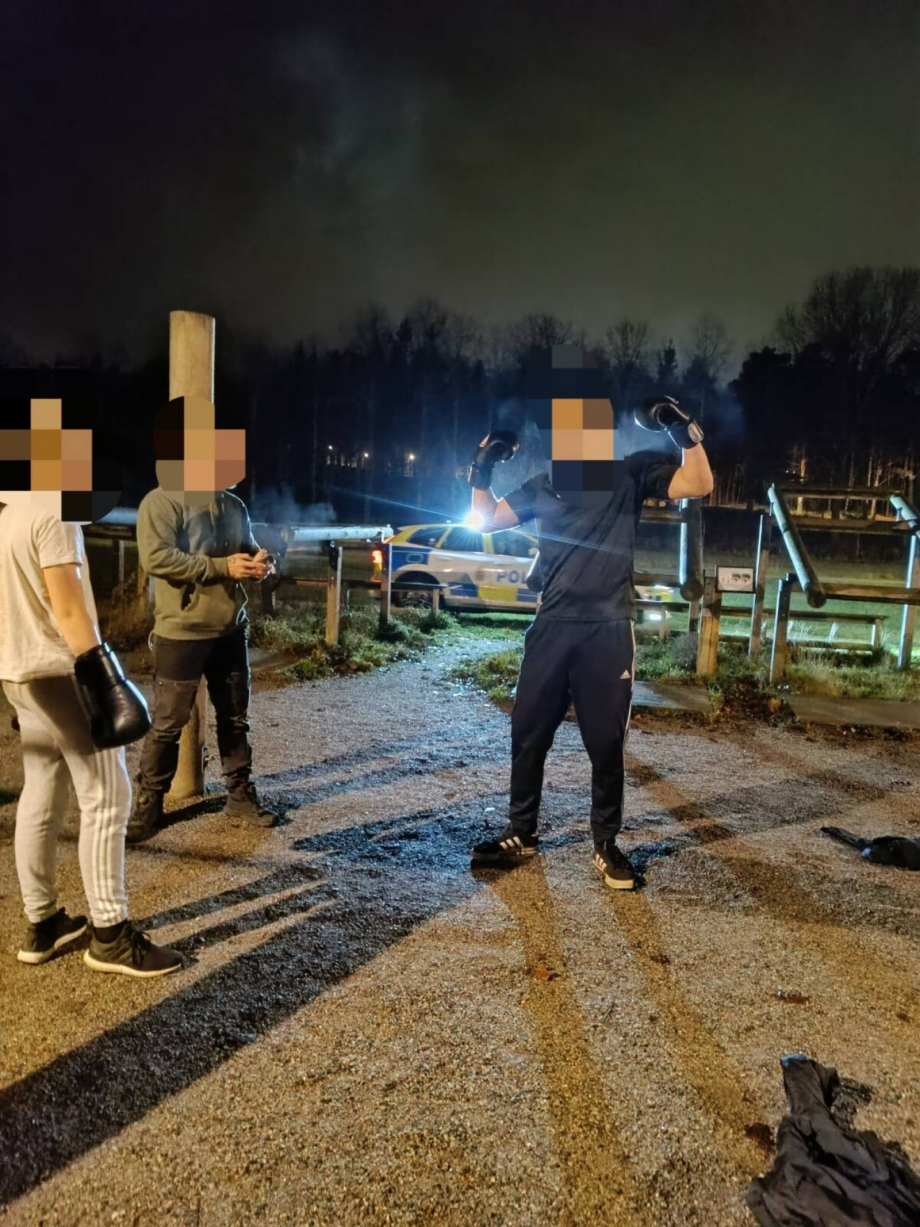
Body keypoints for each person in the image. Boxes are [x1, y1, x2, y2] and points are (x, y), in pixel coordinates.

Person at [468, 345, 714, 890]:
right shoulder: (544, 484)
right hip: (552, 627)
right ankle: (521, 833)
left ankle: (606, 843)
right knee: (527, 732)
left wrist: (683, 430)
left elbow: (698, 484)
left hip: (607, 630)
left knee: (604, 744)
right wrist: (480, 467)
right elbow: (482, 519)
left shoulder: (630, 473)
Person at [0, 387, 182, 976]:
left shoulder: (8, 513)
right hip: (61, 672)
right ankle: (110, 935)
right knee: (107, 795)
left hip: (19, 672)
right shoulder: (55, 512)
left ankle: (43, 921)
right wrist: (109, 680)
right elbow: (70, 609)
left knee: (41, 791)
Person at [128, 395, 278, 841]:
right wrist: (222, 567)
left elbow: (245, 550)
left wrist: (262, 562)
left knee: (234, 719)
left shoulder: (232, 505)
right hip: (181, 632)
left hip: (230, 628)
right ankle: (149, 803)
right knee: (168, 723)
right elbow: (157, 558)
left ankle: (239, 794)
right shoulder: (160, 502)